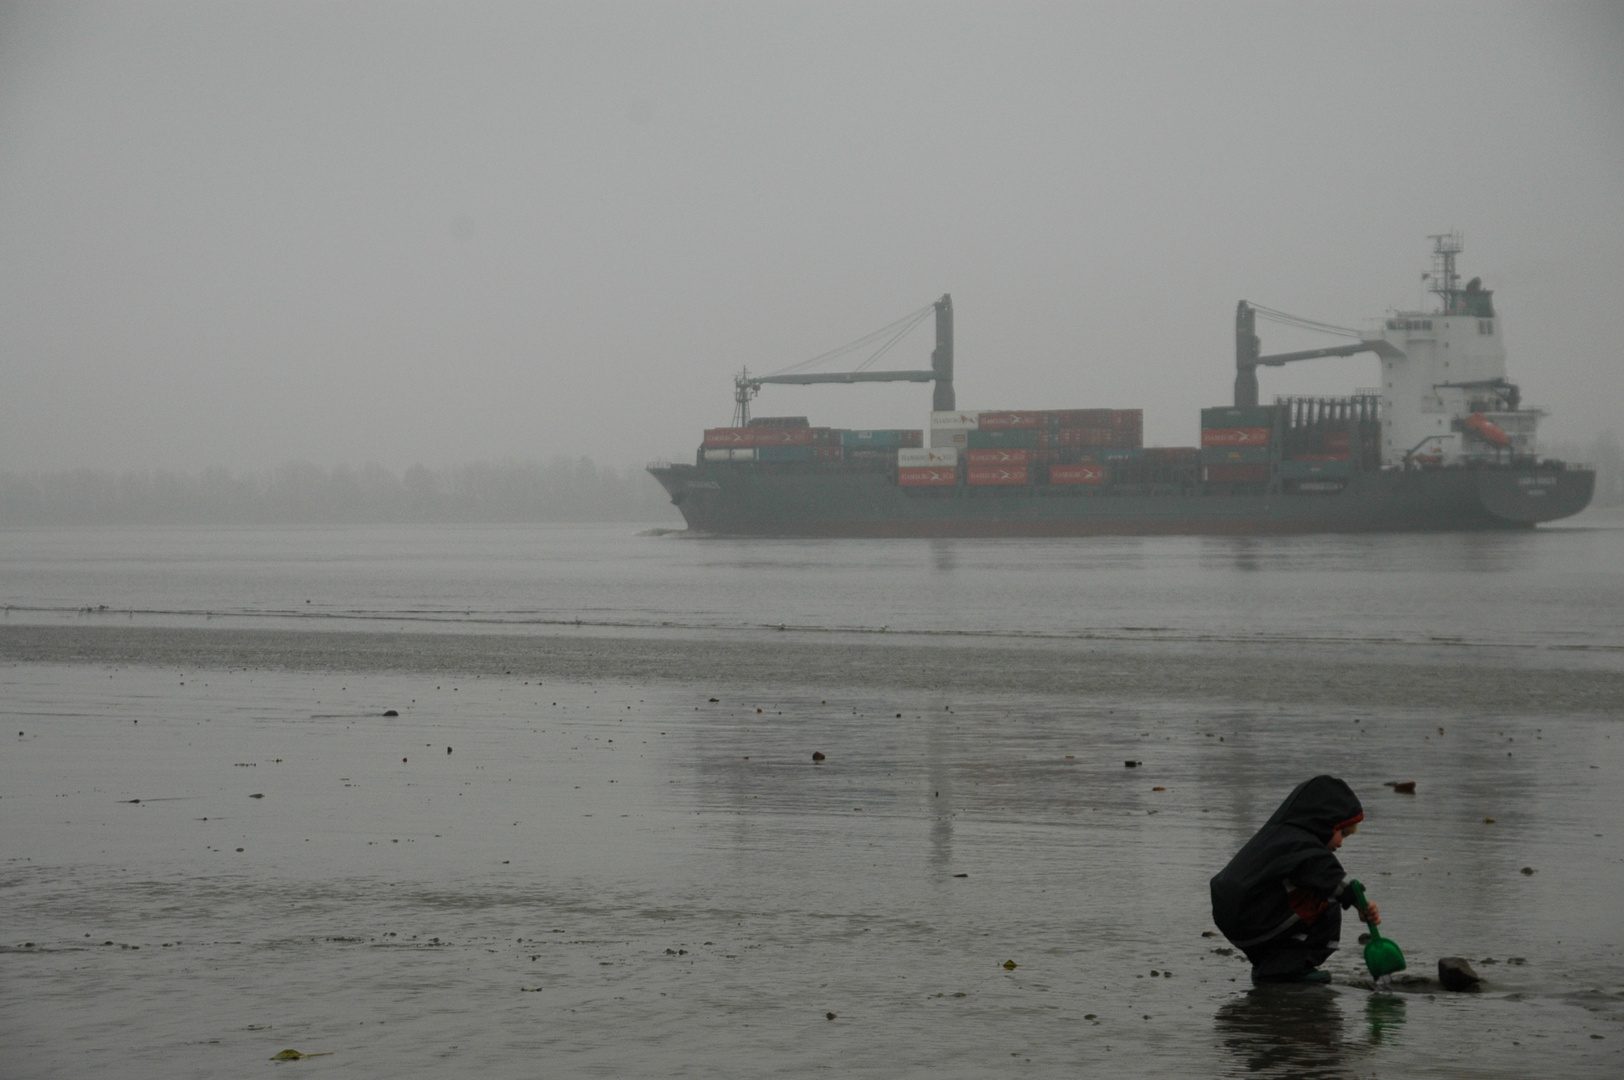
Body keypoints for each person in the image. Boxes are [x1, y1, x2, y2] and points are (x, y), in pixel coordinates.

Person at [1210, 775, 1380, 985]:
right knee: (1327, 903)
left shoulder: (1278, 834)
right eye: (1342, 833)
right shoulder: (1302, 844)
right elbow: (1329, 875)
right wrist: (1359, 902)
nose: (1341, 844)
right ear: (1324, 821)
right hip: (1252, 918)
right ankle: (1285, 970)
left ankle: (1270, 965)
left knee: (1300, 892)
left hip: (1235, 915)